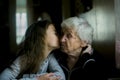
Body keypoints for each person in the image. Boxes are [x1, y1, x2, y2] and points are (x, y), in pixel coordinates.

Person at [0, 20, 65, 80]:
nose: (61, 38)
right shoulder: (24, 59)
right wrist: (37, 79)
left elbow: (62, 76)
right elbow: (3, 78)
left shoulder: (50, 57)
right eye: (55, 33)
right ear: (42, 37)